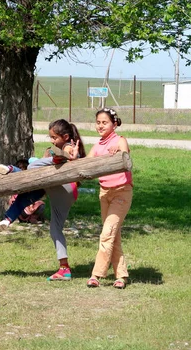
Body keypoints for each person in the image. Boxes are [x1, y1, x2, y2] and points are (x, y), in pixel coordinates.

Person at [0, 119, 86, 281]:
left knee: (32, 167)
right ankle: (64, 269)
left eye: (54, 137)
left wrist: (64, 157)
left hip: (63, 187)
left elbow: (68, 155)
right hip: (64, 191)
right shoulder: (58, 148)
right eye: (50, 137)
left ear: (64, 136)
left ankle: (11, 169)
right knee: (54, 228)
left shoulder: (67, 146)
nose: (52, 140)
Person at [85, 108, 133, 289]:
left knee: (107, 234)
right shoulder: (97, 146)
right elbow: (86, 164)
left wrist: (119, 151)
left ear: (114, 124)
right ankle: (121, 276)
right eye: (98, 122)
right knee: (113, 235)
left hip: (121, 192)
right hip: (104, 193)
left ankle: (96, 274)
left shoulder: (120, 140)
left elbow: (125, 153)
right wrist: (74, 157)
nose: (100, 126)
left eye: (104, 122)